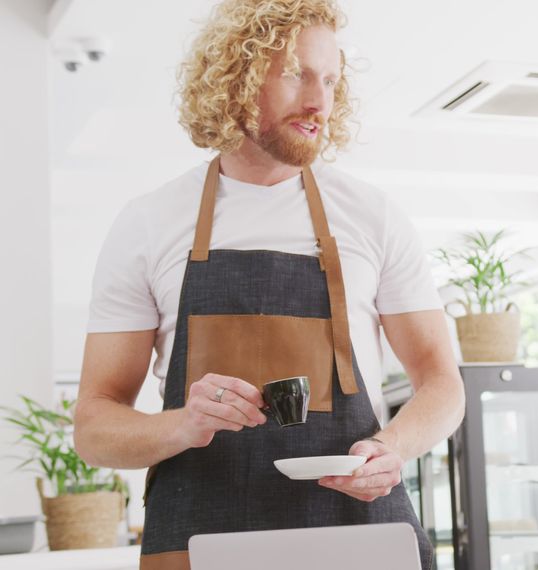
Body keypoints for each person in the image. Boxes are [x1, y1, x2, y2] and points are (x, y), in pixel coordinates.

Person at [71, 1, 464, 568]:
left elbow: (441, 383)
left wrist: (390, 448)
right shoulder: (149, 223)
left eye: (329, 79)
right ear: (237, 76)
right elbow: (93, 425)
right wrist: (184, 424)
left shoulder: (372, 216)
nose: (319, 100)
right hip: (201, 542)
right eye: (296, 73)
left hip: (356, 538)